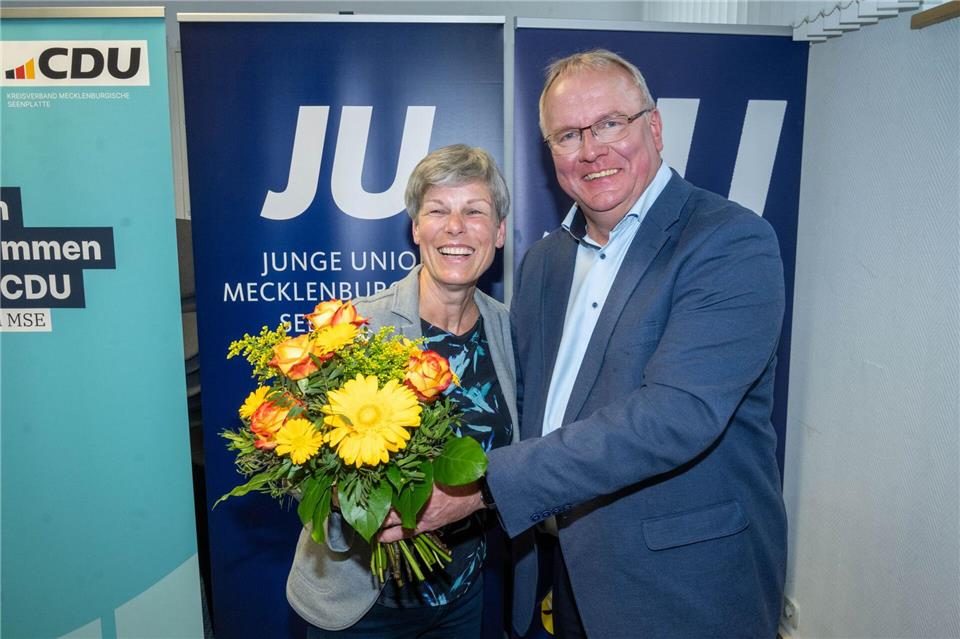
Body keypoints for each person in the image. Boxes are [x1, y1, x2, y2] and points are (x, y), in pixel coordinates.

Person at [381, 50, 788, 638]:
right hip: (559, 574)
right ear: (551, 155)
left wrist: (480, 488)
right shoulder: (545, 262)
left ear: (653, 126)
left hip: (679, 586)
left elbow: (676, 415)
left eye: (609, 124)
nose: (591, 150)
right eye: (568, 134)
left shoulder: (728, 243)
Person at [286, 144, 519, 638]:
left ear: (498, 232)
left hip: (462, 599)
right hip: (360, 606)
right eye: (437, 210)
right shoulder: (358, 328)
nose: (455, 227)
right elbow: (299, 460)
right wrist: (346, 492)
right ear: (416, 228)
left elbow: (522, 456)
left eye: (474, 211)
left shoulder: (510, 332)